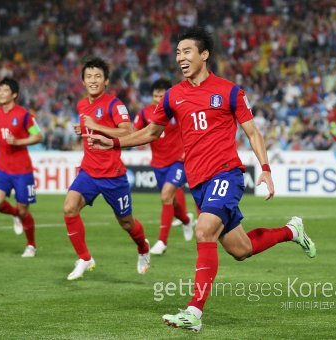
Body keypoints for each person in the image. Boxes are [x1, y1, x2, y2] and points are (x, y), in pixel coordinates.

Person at [86, 27, 316, 332]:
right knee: (240, 249)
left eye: (187, 51)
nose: (181, 58)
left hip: (227, 174)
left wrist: (265, 168)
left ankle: (194, 312)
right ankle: (291, 230)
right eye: (178, 53)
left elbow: (252, 132)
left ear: (204, 54)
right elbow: (149, 133)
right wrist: (114, 143)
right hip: (198, 182)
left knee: (204, 230)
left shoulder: (230, 91)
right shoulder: (173, 96)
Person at [63, 57, 150, 280]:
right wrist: (82, 128)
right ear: (83, 81)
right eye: (89, 76)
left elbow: (128, 132)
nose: (93, 80)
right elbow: (89, 129)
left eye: (98, 76)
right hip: (89, 171)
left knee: (126, 222)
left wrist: (94, 126)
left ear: (106, 81)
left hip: (113, 175)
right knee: (69, 207)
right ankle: (85, 258)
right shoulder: (82, 105)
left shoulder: (114, 104)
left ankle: (143, 247)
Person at [133, 78, 195, 255]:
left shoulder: (177, 110)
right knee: (172, 201)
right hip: (158, 164)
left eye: (162, 95)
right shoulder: (145, 113)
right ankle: (186, 220)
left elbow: (191, 128)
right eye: (155, 95)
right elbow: (134, 131)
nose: (158, 98)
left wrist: (188, 150)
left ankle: (162, 242)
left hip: (178, 161)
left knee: (166, 194)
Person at [0, 77, 42, 257]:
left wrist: (18, 141)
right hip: (2, 167)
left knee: (24, 210)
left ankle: (31, 245)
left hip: (22, 170)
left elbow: (38, 136)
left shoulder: (24, 115)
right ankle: (15, 215)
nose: (0, 93)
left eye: (5, 90)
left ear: (14, 94)